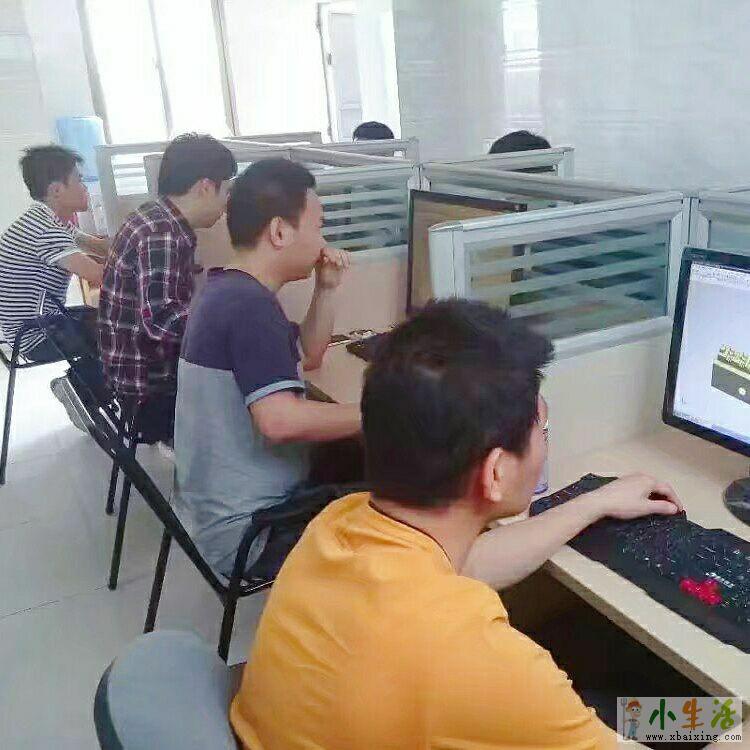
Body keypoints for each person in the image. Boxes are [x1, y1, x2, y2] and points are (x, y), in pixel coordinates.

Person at [230, 299, 683, 749]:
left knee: (616, 701)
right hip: (522, 707)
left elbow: (470, 562)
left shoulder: (339, 525)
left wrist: (594, 503)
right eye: (540, 431)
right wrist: (724, 719)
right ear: (496, 472)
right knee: (674, 715)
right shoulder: (474, 657)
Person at [173, 158, 362, 580]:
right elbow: (280, 421)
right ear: (279, 232)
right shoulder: (249, 309)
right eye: (318, 226)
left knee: (356, 452)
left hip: (215, 512)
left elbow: (309, 355)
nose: (323, 240)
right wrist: (379, 412)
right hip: (252, 533)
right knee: (405, 491)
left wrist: (326, 289)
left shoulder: (229, 289)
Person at [98, 133, 237, 443]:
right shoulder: (162, 233)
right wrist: (225, 323)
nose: (227, 203)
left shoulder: (154, 216)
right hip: (151, 389)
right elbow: (161, 320)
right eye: (226, 190)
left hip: (131, 375)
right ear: (205, 187)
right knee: (249, 397)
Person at [0, 145, 106, 363]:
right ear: (57, 190)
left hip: (39, 325)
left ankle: (94, 379)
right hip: (38, 336)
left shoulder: (46, 219)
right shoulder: (45, 229)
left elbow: (99, 247)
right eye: (79, 180)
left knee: (110, 318)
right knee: (124, 330)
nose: (85, 187)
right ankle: (93, 383)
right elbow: (100, 276)